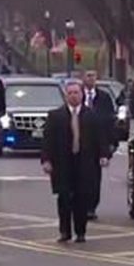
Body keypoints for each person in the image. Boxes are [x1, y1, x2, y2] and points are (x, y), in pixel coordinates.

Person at [41, 80, 111, 243]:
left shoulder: (91, 115)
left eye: (76, 93)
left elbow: (101, 138)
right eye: (70, 93)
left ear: (82, 95)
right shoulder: (55, 116)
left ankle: (80, 232)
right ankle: (65, 231)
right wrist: (46, 160)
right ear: (66, 96)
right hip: (62, 163)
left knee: (82, 198)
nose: (73, 96)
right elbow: (47, 140)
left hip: (84, 162)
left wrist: (104, 155)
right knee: (64, 198)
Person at [82, 69, 116, 220]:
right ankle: (79, 205)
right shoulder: (77, 95)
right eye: (88, 76)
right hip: (79, 142)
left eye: (93, 76)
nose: (91, 79)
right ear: (83, 78)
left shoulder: (104, 98)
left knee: (94, 177)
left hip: (97, 144)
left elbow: (110, 121)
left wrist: (111, 144)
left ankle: (91, 207)